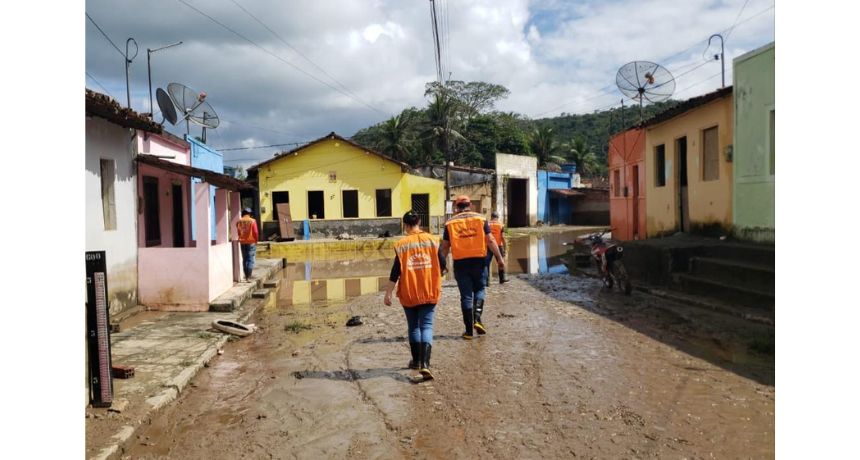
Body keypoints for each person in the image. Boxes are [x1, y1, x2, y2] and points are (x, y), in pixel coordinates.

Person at [384, 211, 446, 380]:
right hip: (429, 290)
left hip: (409, 293)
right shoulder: (433, 240)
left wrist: (388, 293)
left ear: (405, 225)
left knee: (413, 327)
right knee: (426, 326)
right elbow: (443, 263)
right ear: (419, 222)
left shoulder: (402, 244)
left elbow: (395, 272)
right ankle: (425, 364)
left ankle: (416, 361)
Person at [439, 195, 505, 340]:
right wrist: (500, 259)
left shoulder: (450, 223)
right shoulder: (480, 219)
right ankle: (477, 319)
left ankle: (469, 331)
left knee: (466, 296)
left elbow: (444, 247)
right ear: (470, 205)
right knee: (480, 289)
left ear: (456, 207)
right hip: (479, 261)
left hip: (461, 263)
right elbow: (490, 240)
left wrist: (441, 265)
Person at [236, 207, 259, 282]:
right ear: (249, 214)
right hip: (251, 242)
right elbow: (255, 232)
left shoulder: (239, 221)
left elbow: (239, 232)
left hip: (242, 242)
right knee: (250, 259)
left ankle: (246, 276)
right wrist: (256, 240)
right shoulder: (252, 221)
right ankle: (248, 277)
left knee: (245, 259)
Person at [485, 212, 508, 285]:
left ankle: (486, 281)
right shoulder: (501, 225)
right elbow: (503, 237)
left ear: (491, 216)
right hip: (498, 246)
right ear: (497, 217)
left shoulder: (487, 224)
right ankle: (502, 279)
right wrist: (505, 247)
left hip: (488, 246)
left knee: (487, 263)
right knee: (500, 262)